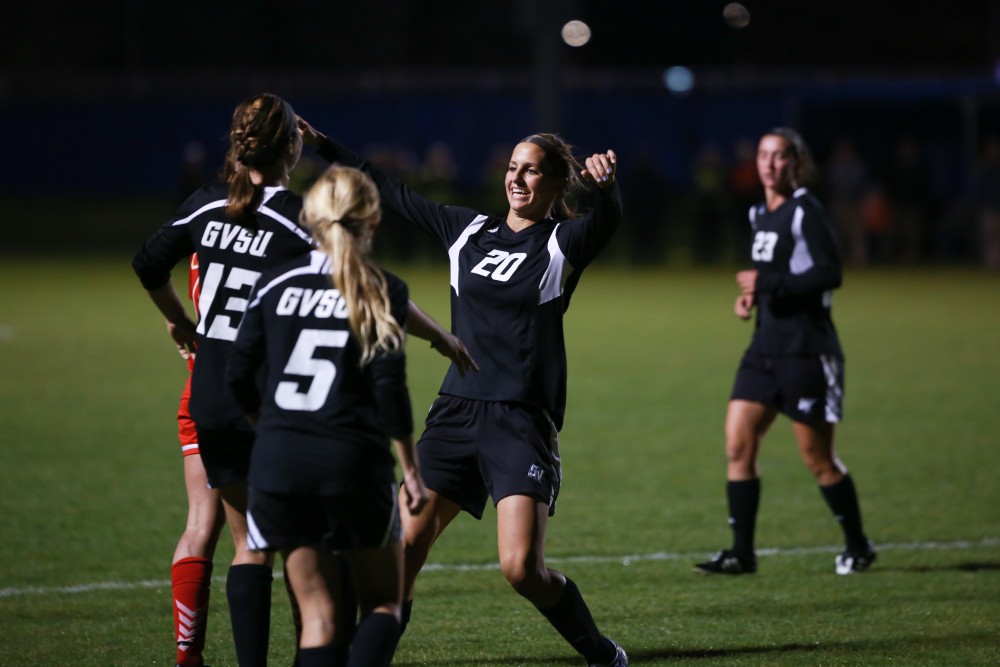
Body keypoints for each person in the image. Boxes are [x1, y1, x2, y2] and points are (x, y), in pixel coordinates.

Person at [303, 123, 628, 666]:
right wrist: (322, 146)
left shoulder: (560, 243)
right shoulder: (465, 229)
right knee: (403, 551)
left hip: (520, 421)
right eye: (512, 168)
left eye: (530, 170)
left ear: (553, 183)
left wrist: (607, 188)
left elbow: (608, 220)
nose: (517, 178)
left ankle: (600, 653)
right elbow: (388, 187)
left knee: (521, 568)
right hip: (455, 413)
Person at [226, 164, 429, 667]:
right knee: (386, 603)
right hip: (352, 466)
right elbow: (390, 390)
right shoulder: (381, 288)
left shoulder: (274, 283)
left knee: (318, 620)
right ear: (372, 222)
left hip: (278, 466)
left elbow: (236, 375)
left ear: (311, 217)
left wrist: (267, 428)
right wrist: (412, 472)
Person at [694, 127, 876, 577]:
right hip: (765, 350)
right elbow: (775, 272)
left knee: (817, 459)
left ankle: (858, 545)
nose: (769, 164)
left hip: (807, 352)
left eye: (779, 157)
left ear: (796, 164)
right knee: (738, 444)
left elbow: (829, 274)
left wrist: (768, 284)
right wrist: (752, 297)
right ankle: (742, 553)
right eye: (763, 155)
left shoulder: (805, 212)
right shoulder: (759, 212)